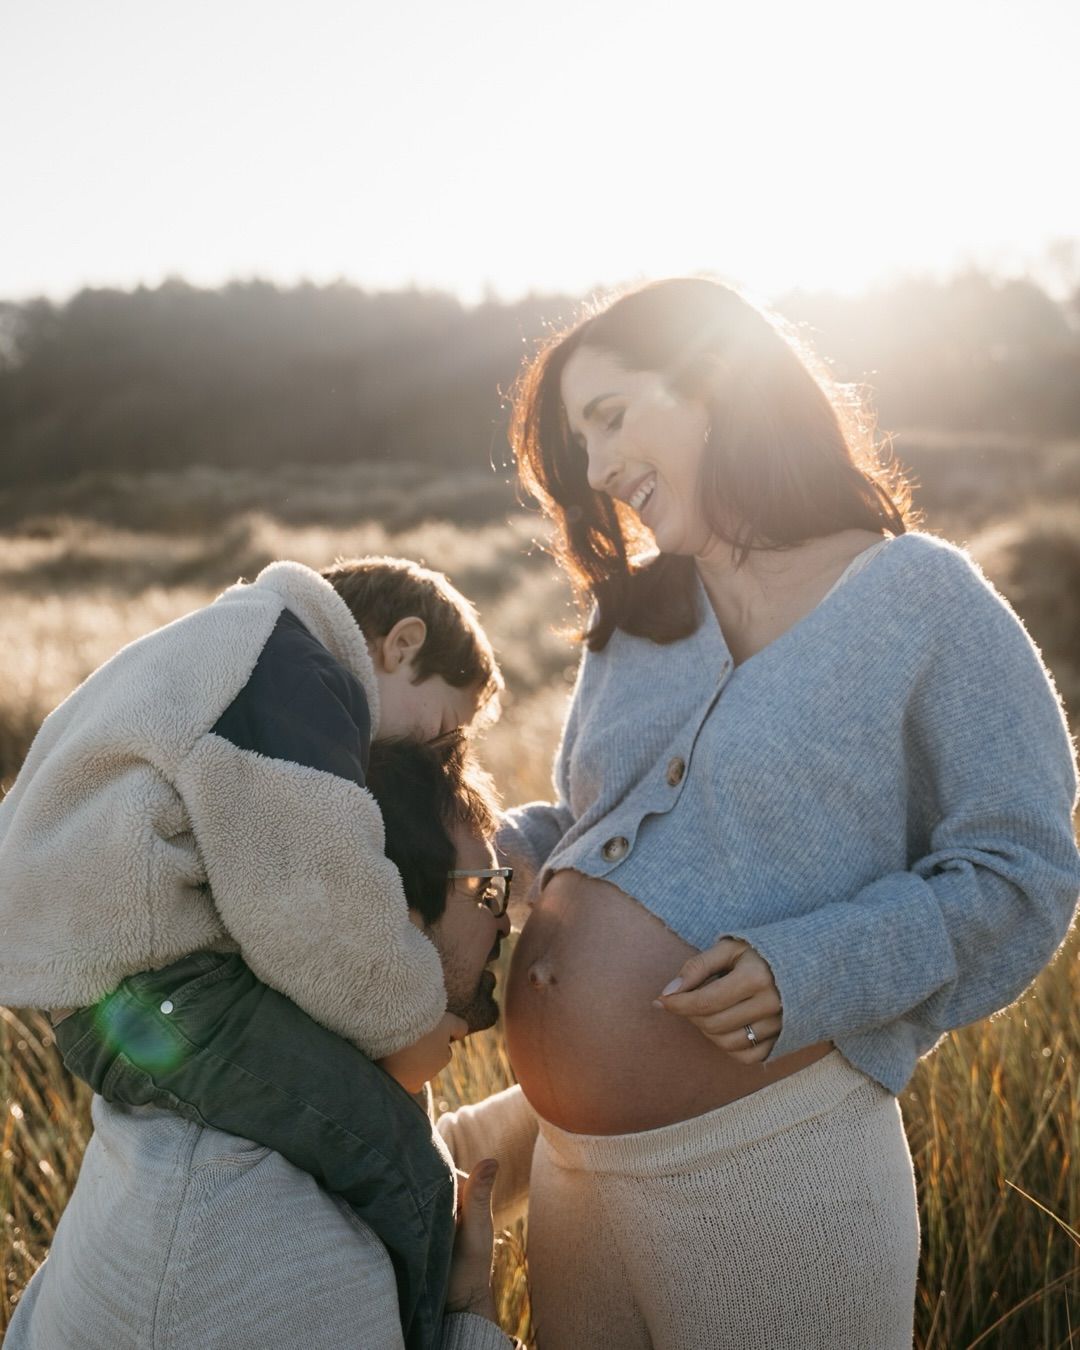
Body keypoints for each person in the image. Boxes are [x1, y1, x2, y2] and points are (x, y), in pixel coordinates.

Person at [478, 276, 1080, 1348]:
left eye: (611, 417)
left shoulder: (922, 600)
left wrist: (813, 970)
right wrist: (501, 850)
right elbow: (589, 820)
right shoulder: (637, 618)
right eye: (580, 445)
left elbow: (1022, 869)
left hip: (775, 1168)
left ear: (715, 382)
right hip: (575, 1177)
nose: (599, 468)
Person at [0, 554, 502, 1347]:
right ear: (402, 645)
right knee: (406, 1167)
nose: (437, 758)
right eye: (442, 730)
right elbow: (317, 909)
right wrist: (412, 1017)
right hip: (162, 987)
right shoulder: (294, 677)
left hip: (106, 983)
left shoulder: (230, 646)